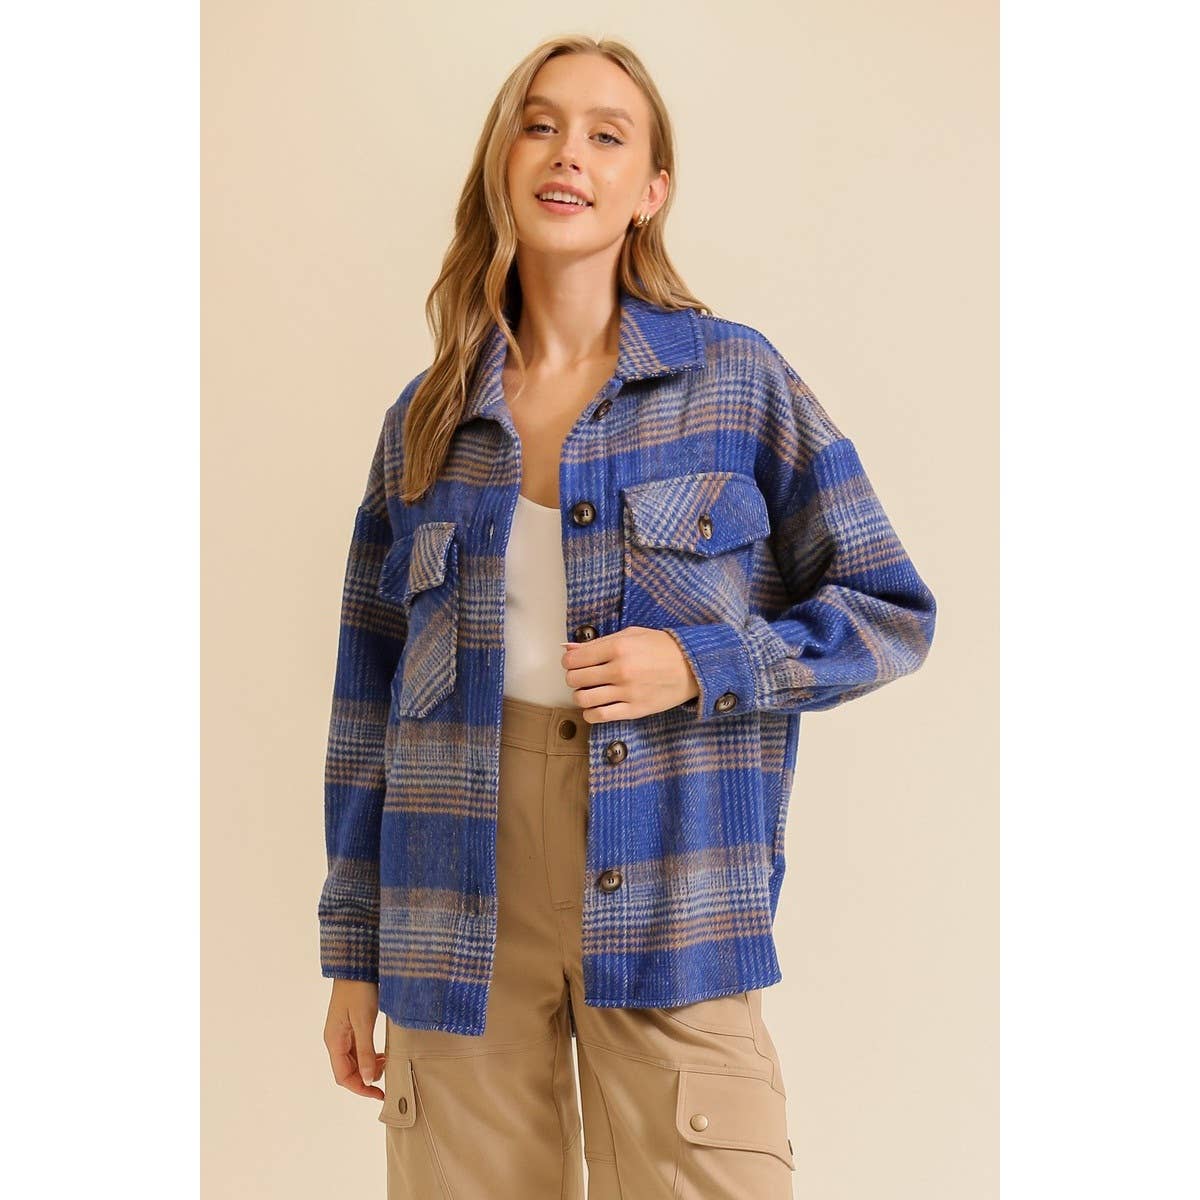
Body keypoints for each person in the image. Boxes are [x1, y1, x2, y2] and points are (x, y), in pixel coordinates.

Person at [318, 34, 937, 1199]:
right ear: (503, 163)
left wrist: (700, 662)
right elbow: (367, 704)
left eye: (608, 136)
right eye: (541, 125)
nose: (569, 154)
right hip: (455, 895)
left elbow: (889, 608)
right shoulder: (428, 420)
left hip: (675, 877)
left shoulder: (737, 381)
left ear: (650, 191)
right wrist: (354, 953)